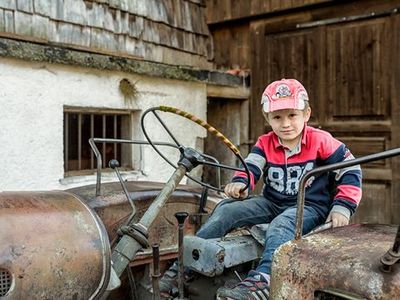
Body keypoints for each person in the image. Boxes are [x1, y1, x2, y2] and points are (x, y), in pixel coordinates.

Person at [159, 78, 362, 300]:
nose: (285, 124)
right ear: (268, 118)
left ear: (306, 114)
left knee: (281, 225)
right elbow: (252, 167)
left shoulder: (320, 141)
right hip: (272, 202)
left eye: (292, 115)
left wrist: (342, 207)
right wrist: (242, 183)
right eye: (277, 117)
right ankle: (182, 267)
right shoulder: (265, 143)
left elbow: (350, 169)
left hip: (309, 207)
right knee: (226, 210)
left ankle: (263, 280)